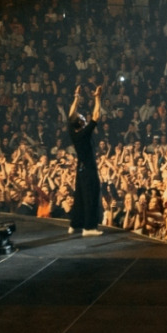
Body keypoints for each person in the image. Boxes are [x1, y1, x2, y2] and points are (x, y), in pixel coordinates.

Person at [66, 85, 104, 236]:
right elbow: (96, 115)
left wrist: (76, 97)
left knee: (80, 197)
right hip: (88, 168)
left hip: (80, 169)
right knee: (90, 196)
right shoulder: (84, 133)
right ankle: (89, 228)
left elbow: (71, 114)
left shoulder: (73, 131)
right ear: (81, 123)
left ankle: (75, 224)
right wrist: (97, 98)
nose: (83, 117)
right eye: (82, 118)